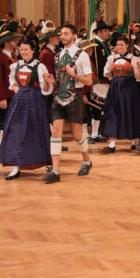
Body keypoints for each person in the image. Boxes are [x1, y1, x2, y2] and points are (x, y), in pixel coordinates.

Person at [43, 24, 93, 184]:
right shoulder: (57, 56)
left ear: (74, 36)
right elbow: (60, 81)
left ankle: (86, 160)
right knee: (56, 132)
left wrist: (74, 75)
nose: (62, 36)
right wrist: (53, 81)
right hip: (58, 97)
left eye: (66, 34)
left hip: (75, 97)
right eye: (61, 34)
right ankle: (55, 170)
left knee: (77, 134)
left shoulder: (82, 56)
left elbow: (89, 81)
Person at [0, 40, 53, 180]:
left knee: (37, 132)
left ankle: (48, 163)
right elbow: (13, 83)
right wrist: (19, 91)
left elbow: (45, 89)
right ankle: (15, 166)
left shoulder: (40, 67)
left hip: (35, 101)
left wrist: (46, 83)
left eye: (26, 49)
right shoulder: (15, 66)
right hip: (19, 103)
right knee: (15, 133)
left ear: (33, 50)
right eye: (21, 50)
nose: (23, 52)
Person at [101, 37, 140, 153]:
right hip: (115, 88)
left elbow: (138, 78)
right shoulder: (111, 58)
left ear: (127, 46)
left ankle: (135, 140)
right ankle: (112, 143)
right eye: (117, 45)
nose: (119, 47)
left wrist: (139, 69)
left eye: (121, 45)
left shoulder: (134, 59)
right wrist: (113, 80)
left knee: (130, 111)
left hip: (129, 88)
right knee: (113, 112)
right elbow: (106, 72)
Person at [0, 28, 22, 150]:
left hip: (14, 95)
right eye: (13, 40)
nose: (15, 42)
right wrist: (1, 98)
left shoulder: (13, 56)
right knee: (3, 123)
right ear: (6, 42)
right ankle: (1, 149)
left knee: (13, 123)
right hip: (5, 96)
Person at [89, 20, 112, 143]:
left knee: (102, 108)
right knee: (96, 107)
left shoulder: (104, 44)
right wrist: (102, 80)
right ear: (99, 32)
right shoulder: (94, 44)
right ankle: (93, 134)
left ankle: (100, 132)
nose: (108, 33)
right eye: (105, 31)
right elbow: (96, 66)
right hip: (99, 80)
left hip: (106, 79)